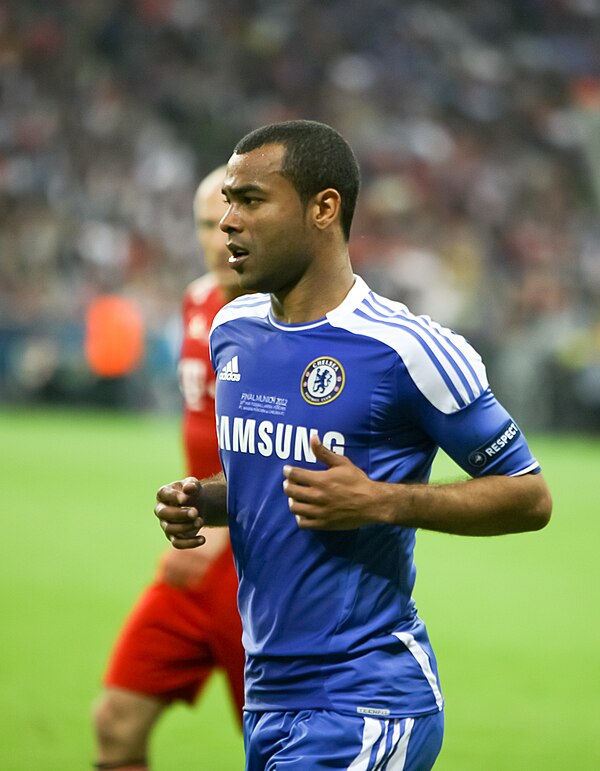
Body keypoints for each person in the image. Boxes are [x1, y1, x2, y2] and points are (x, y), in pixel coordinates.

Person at [154, 121, 552, 771]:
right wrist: (207, 499)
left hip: (367, 700)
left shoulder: (408, 349)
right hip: (269, 697)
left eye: (250, 200)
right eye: (227, 200)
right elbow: (282, 484)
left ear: (324, 207)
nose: (226, 221)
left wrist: (381, 500)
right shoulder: (234, 332)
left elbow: (529, 495)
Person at [92, 167, 245, 771]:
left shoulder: (287, 320)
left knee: (284, 750)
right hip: (198, 556)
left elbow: (294, 450)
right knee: (116, 723)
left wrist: (223, 532)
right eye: (207, 224)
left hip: (256, 559)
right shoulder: (198, 299)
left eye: (231, 221)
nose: (219, 237)